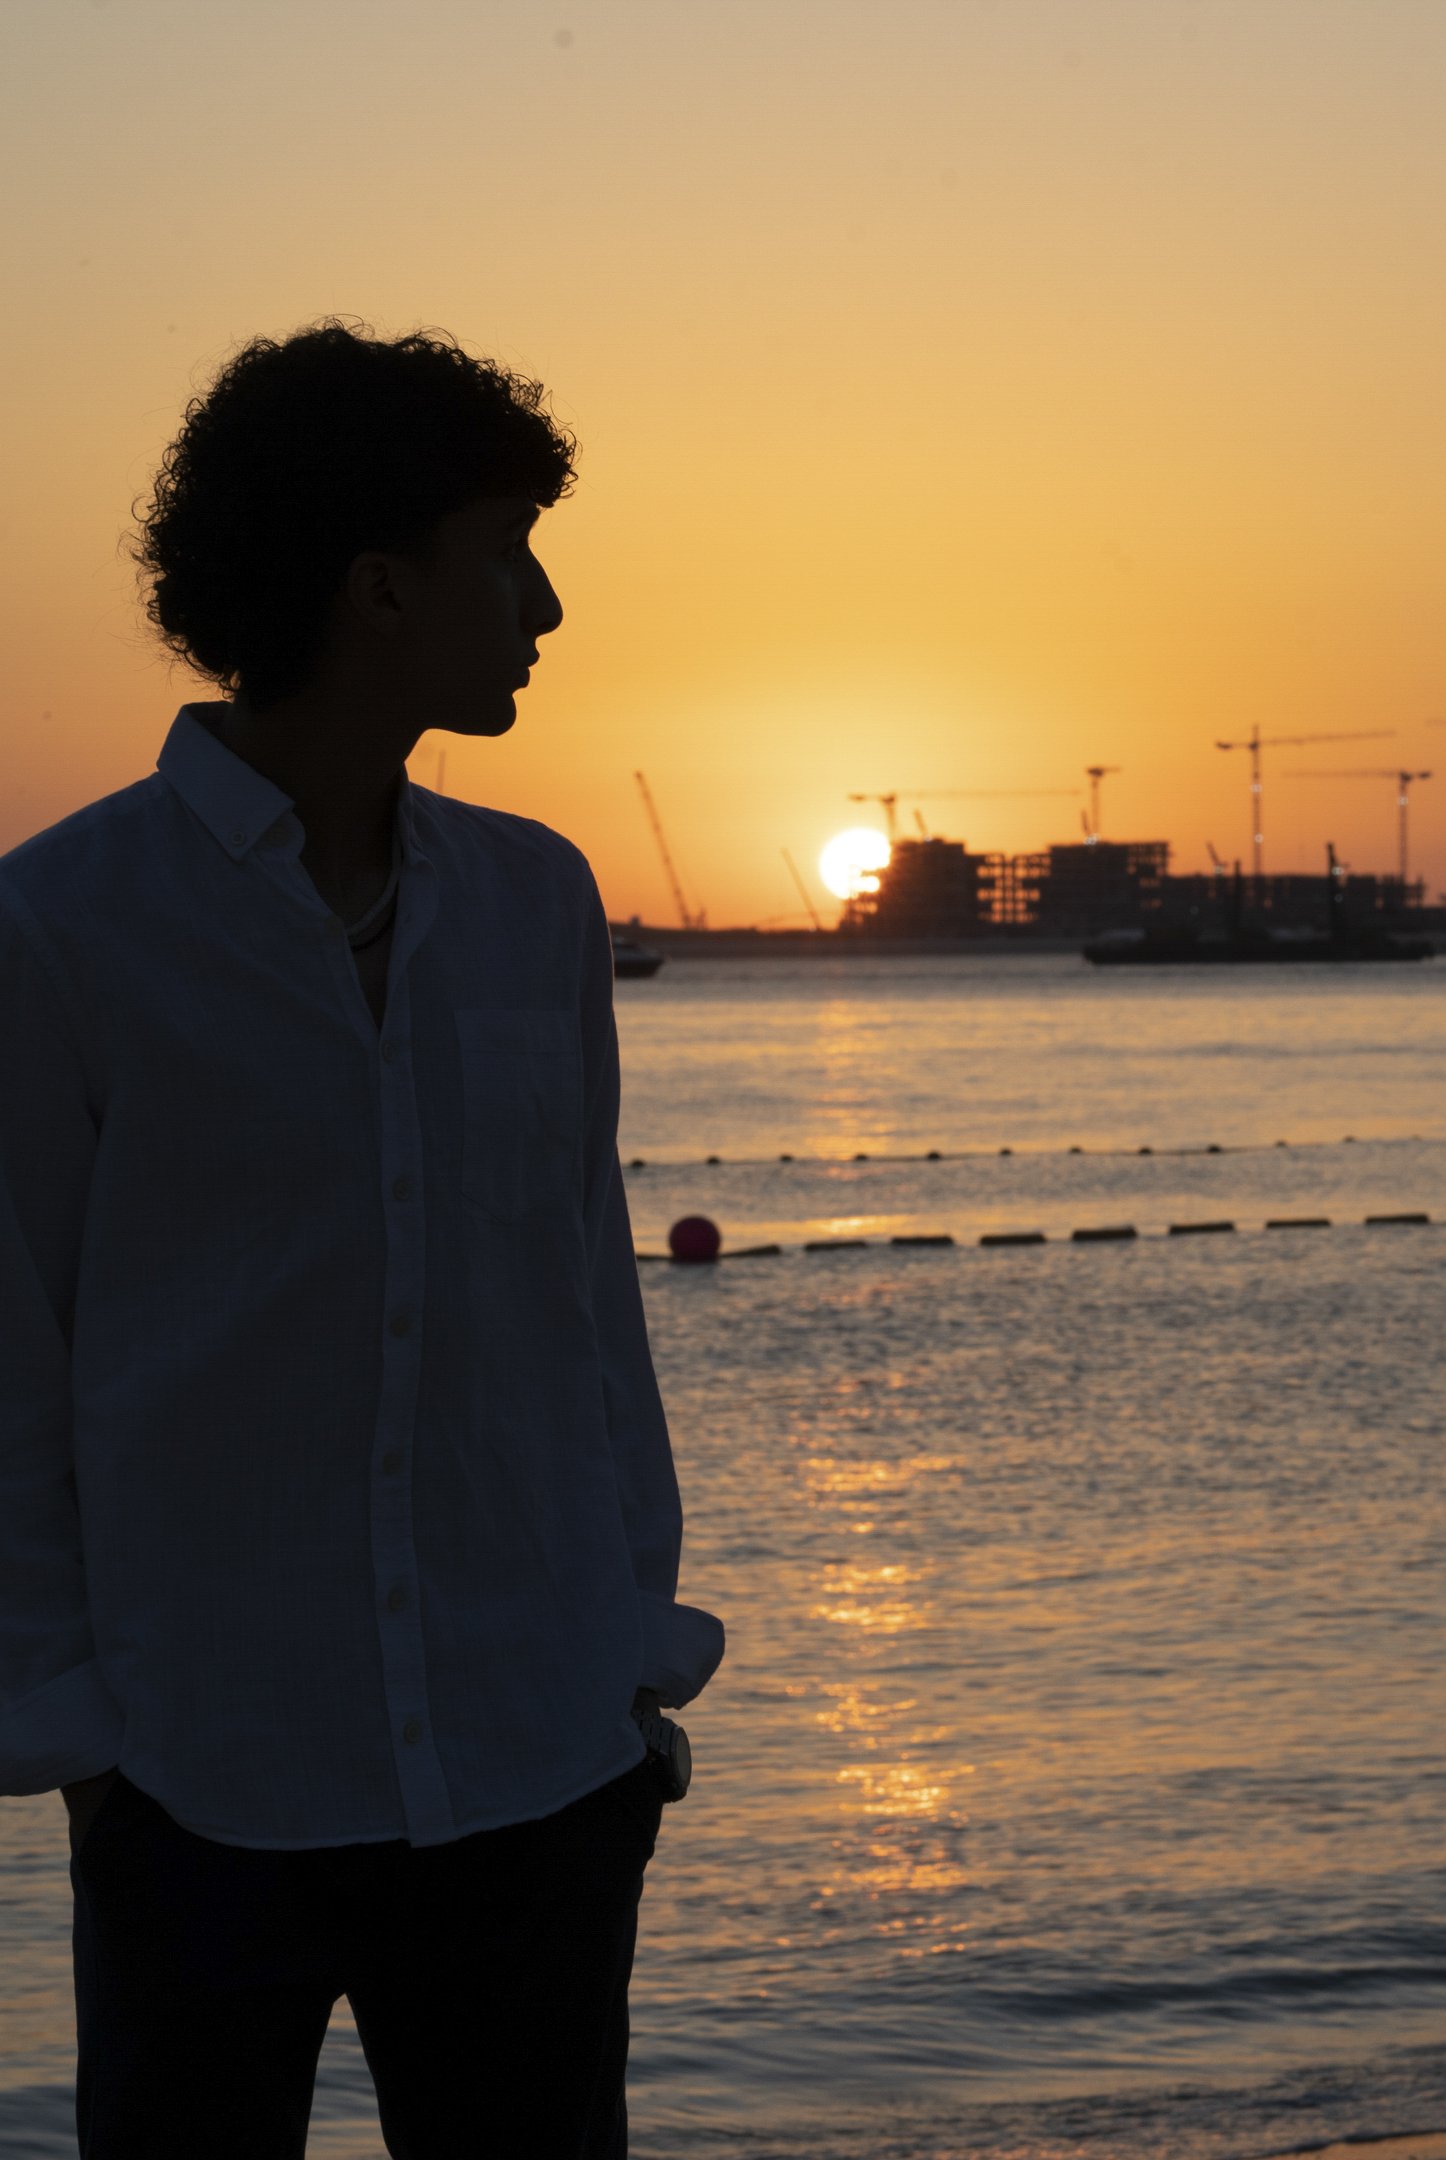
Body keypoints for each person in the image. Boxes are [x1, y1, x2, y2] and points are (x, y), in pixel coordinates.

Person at [0, 318, 724, 2158]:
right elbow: (17, 1352)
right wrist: (83, 1737)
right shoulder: (64, 930)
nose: (546, 605)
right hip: (199, 1778)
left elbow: (581, 1301)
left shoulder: (537, 904)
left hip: (536, 1756)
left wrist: (623, 1649)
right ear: (381, 589)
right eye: (508, 553)